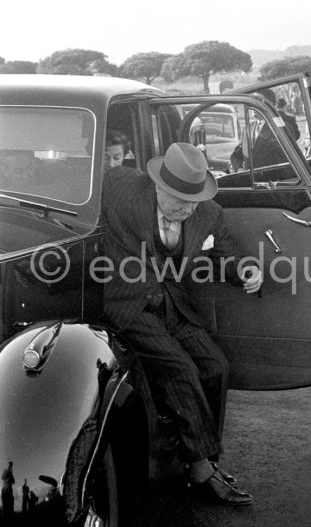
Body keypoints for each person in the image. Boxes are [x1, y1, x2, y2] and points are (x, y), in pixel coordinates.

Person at [101, 142, 262, 504]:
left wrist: (246, 270)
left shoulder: (208, 213)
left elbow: (226, 256)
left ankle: (202, 453)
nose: (187, 209)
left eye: (194, 200)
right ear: (158, 185)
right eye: (179, 200)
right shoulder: (121, 186)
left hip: (174, 306)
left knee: (216, 367)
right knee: (180, 370)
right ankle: (202, 468)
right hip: (129, 306)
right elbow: (76, 182)